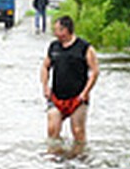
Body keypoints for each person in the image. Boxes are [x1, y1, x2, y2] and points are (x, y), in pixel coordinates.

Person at [40, 14, 99, 143]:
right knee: (52, 130)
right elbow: (45, 67)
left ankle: (78, 158)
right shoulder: (54, 47)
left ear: (65, 30)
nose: (55, 34)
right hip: (57, 97)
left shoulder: (85, 48)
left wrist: (85, 92)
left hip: (78, 98)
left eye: (57, 30)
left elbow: (95, 72)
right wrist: (45, 87)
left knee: (78, 131)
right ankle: (55, 158)